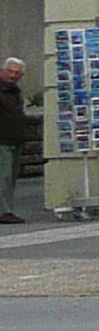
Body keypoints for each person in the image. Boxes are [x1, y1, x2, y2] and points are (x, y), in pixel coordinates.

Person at [0, 57, 28, 223]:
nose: (13, 75)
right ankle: (4, 212)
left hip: (14, 139)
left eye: (17, 73)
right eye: (10, 71)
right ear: (2, 71)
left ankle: (7, 210)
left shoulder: (15, 91)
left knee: (10, 178)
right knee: (3, 177)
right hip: (2, 140)